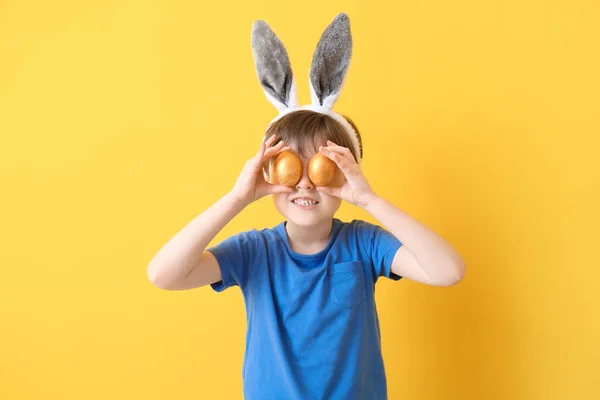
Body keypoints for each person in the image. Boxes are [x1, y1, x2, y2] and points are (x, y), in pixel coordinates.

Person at [147, 13, 465, 400]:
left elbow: (448, 271)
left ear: (345, 174)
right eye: (290, 167)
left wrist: (370, 200)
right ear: (270, 174)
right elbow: (164, 274)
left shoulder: (364, 245)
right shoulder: (254, 252)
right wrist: (237, 199)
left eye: (322, 168)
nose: (305, 183)